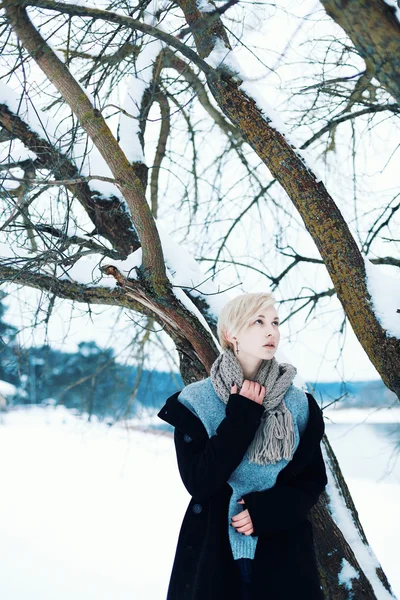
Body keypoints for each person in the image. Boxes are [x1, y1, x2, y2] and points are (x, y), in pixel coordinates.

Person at [157, 292, 327, 600]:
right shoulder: (195, 402)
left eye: (275, 322)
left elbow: (312, 481)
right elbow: (199, 481)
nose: (271, 331)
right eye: (258, 321)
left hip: (281, 550)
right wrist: (243, 414)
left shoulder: (298, 404)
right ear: (230, 334)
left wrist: (268, 512)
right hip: (214, 549)